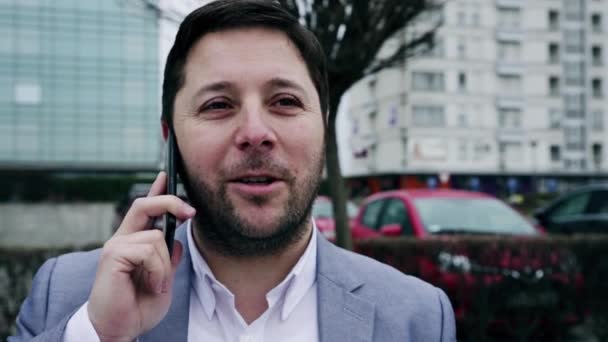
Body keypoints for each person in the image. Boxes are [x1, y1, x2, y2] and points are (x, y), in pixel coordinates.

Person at [10, 1, 456, 341]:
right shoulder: (71, 298)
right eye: (218, 105)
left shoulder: (416, 318)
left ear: (322, 126)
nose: (255, 132)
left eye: (284, 102)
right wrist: (98, 335)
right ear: (171, 141)